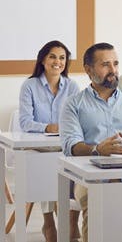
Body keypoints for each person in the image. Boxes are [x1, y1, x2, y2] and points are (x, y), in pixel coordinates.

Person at [60, 42, 122, 242]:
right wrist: (97, 149)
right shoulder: (73, 104)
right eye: (105, 65)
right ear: (88, 70)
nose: (113, 70)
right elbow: (71, 146)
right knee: (97, 202)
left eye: (116, 64)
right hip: (91, 178)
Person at [18, 40, 80, 241]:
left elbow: (79, 118)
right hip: (38, 148)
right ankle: (49, 221)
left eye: (62, 58)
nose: (57, 61)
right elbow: (25, 122)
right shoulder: (30, 85)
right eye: (53, 56)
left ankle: (69, 221)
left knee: (72, 163)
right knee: (46, 165)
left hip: (64, 147)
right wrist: (49, 127)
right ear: (43, 59)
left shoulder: (72, 87)